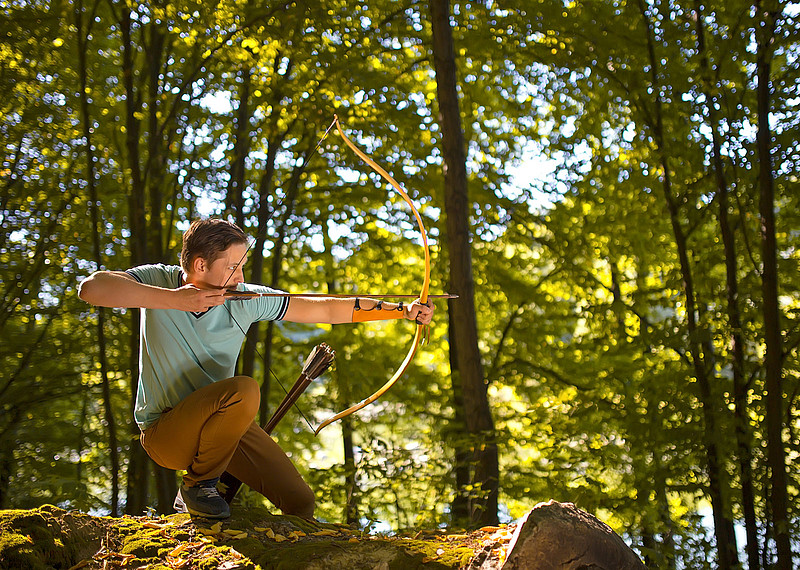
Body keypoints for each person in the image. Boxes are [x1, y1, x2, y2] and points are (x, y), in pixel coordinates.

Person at [78, 218, 434, 519]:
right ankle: (197, 487)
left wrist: (401, 310)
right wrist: (174, 300)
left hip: (224, 427)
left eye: (242, 266)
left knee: (300, 502)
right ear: (200, 265)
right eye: (232, 266)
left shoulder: (245, 298)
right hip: (165, 433)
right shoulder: (160, 279)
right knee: (244, 389)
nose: (240, 275)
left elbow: (323, 309)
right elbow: (91, 288)